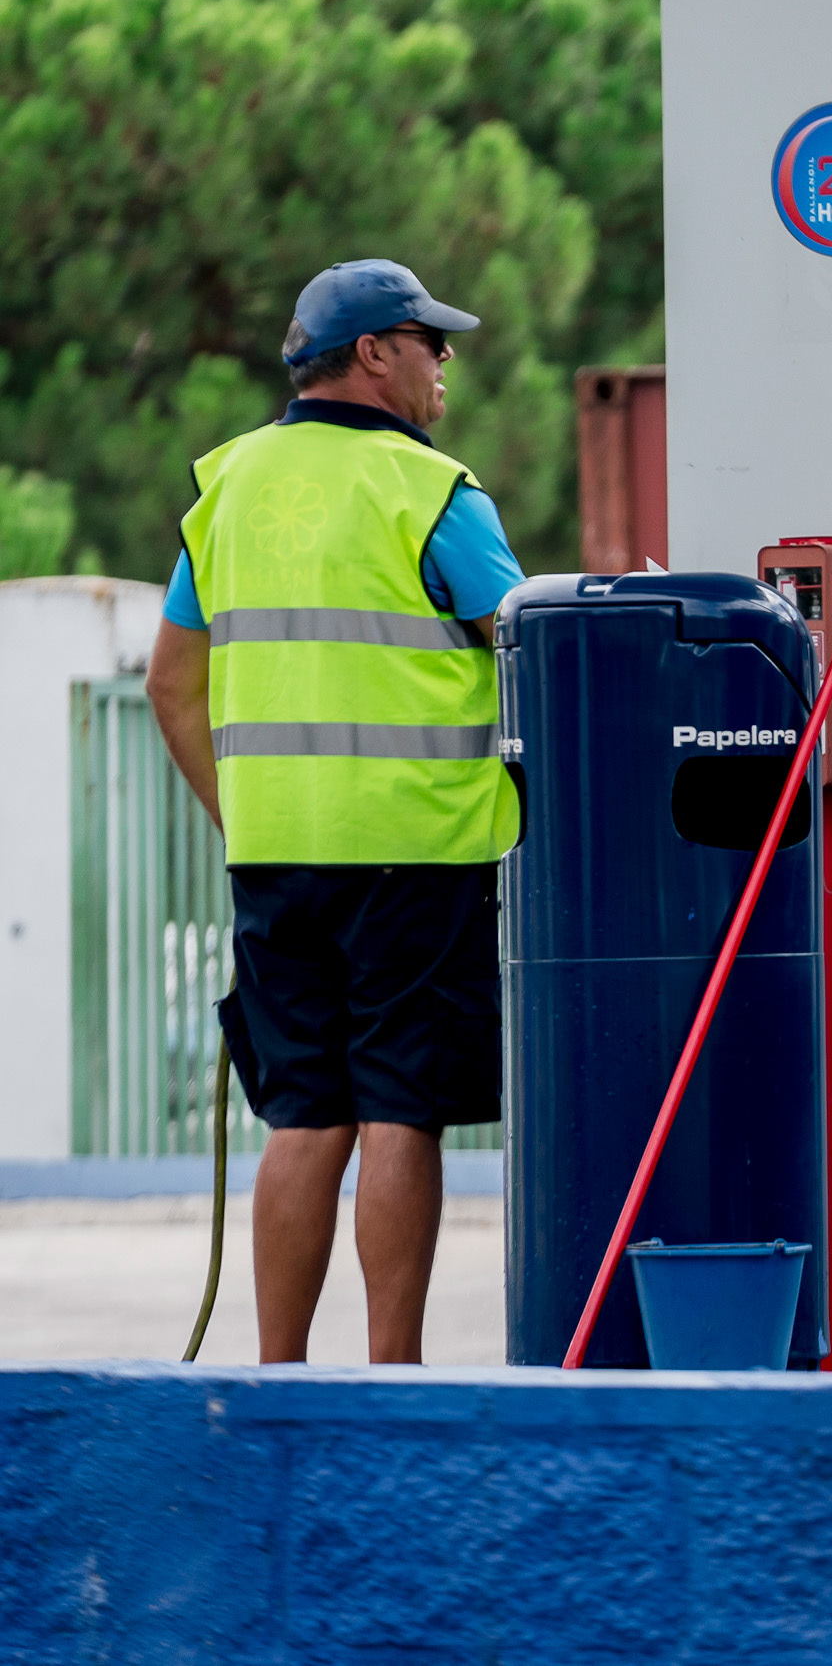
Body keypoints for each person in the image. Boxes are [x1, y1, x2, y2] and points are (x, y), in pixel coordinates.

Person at [144, 259, 525, 1364]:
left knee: (304, 1113)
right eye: (427, 339)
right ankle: (390, 1381)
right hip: (419, 849)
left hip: (275, 857)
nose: (443, 360)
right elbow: (538, 654)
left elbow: (172, 680)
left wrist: (242, 811)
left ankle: (277, 1379)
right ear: (373, 354)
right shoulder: (434, 494)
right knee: (402, 1108)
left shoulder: (224, 488)